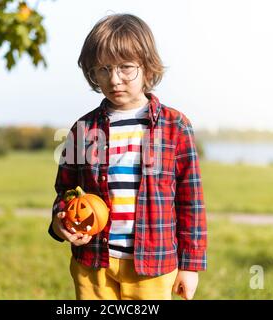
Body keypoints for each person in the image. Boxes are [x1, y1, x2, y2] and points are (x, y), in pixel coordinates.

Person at [48, 13, 207, 300]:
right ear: (92, 73)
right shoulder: (83, 129)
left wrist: (191, 265)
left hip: (154, 265)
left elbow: (190, 201)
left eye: (126, 68)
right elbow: (65, 189)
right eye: (104, 69)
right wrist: (60, 222)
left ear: (147, 67)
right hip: (93, 262)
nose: (114, 79)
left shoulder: (175, 126)